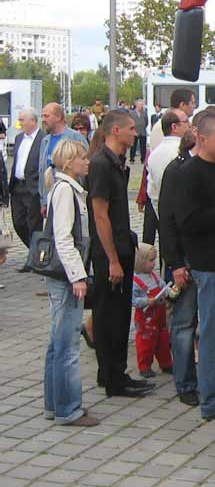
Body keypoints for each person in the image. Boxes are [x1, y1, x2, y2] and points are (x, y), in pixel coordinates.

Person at [88, 110, 151, 398]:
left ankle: (115, 373)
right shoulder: (101, 164)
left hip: (122, 247)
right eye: (130, 129)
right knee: (109, 316)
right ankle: (112, 378)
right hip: (108, 253)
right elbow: (100, 215)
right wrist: (112, 259)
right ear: (115, 131)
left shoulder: (117, 162)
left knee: (120, 314)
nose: (135, 134)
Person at [177, 113, 215, 420]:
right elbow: (188, 221)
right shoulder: (189, 173)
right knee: (211, 337)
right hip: (208, 266)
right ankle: (212, 401)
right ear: (203, 138)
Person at [41, 138, 99, 426]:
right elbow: (64, 239)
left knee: (57, 343)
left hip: (60, 275)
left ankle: (54, 403)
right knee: (66, 346)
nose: (87, 162)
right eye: (83, 158)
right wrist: (78, 275)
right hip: (66, 276)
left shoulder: (62, 188)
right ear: (69, 163)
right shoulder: (66, 190)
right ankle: (68, 408)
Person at [158, 119, 204, 407]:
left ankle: (208, 380)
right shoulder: (176, 172)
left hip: (207, 258)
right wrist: (175, 263)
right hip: (184, 260)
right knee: (184, 323)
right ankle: (185, 383)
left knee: (204, 323)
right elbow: (168, 221)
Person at [131, 243, 173, 378]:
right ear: (140, 261)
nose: (154, 263)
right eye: (151, 260)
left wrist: (170, 292)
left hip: (160, 316)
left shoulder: (154, 276)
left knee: (163, 341)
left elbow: (162, 287)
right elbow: (133, 300)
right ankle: (144, 366)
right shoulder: (135, 281)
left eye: (155, 260)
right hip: (146, 319)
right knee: (145, 343)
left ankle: (166, 363)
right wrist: (146, 301)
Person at [38, 104, 87, 218]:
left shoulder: (75, 138)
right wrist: (43, 201)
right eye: (43, 116)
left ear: (58, 117)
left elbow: (86, 166)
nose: (43, 120)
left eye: (46, 116)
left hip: (70, 196)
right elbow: (42, 172)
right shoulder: (45, 141)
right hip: (51, 197)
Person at [8, 108, 44, 247]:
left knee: (34, 224)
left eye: (22, 119)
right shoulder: (18, 138)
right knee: (18, 222)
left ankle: (35, 258)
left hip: (33, 188)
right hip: (17, 187)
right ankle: (33, 251)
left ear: (33, 121)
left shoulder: (43, 139)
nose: (20, 123)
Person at [146, 110, 189, 216]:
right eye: (186, 121)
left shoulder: (154, 155)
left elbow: (152, 192)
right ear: (174, 127)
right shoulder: (183, 151)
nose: (189, 125)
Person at [129, 99, 149, 164]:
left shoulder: (144, 113)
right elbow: (130, 122)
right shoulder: (131, 113)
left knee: (143, 146)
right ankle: (132, 159)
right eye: (140, 105)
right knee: (133, 146)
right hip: (134, 132)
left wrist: (142, 127)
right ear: (137, 105)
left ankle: (143, 159)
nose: (142, 106)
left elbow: (146, 122)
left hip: (142, 132)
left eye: (142, 105)